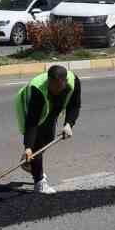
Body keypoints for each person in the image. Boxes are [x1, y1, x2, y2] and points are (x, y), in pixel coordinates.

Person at [16, 64, 81, 195]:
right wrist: (28, 146)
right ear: (48, 80)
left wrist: (69, 124)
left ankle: (30, 164)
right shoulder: (38, 89)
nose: (55, 89)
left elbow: (75, 105)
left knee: (47, 139)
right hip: (29, 106)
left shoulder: (74, 82)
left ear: (65, 82)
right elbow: (32, 122)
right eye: (52, 86)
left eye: (58, 87)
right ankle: (39, 182)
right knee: (36, 144)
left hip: (52, 107)